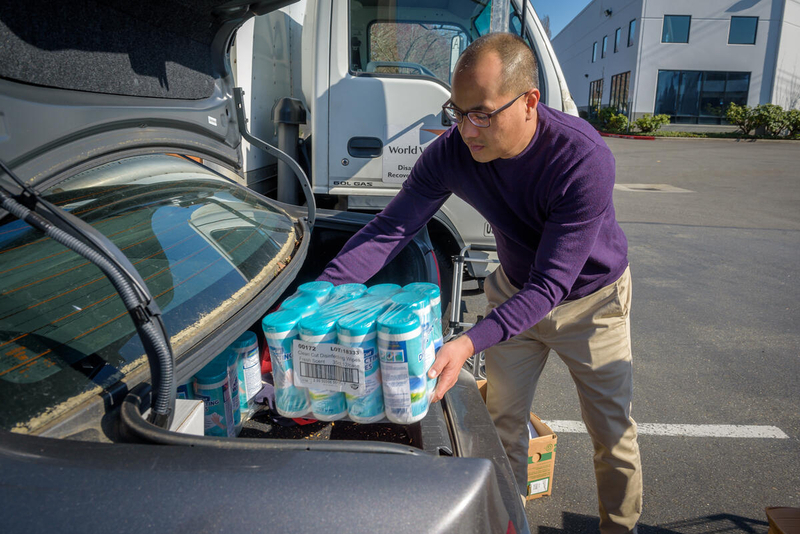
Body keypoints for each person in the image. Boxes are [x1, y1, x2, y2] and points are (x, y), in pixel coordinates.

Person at [317, 33, 642, 533]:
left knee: (611, 434)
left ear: (530, 101)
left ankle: (620, 528)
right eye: (458, 110)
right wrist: (321, 290)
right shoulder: (451, 153)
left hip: (590, 303)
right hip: (514, 288)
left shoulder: (582, 158)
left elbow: (553, 284)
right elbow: (391, 228)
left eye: (483, 113)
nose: (467, 129)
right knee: (502, 426)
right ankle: (512, 524)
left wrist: (468, 341)